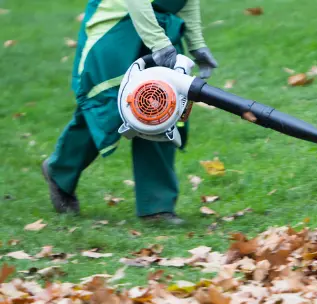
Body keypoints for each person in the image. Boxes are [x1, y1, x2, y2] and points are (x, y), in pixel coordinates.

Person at [42, 0, 218, 225]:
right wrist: (159, 44)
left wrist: (197, 44)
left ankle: (157, 207)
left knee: (162, 108)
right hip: (117, 25)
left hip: (159, 29)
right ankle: (60, 170)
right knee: (108, 110)